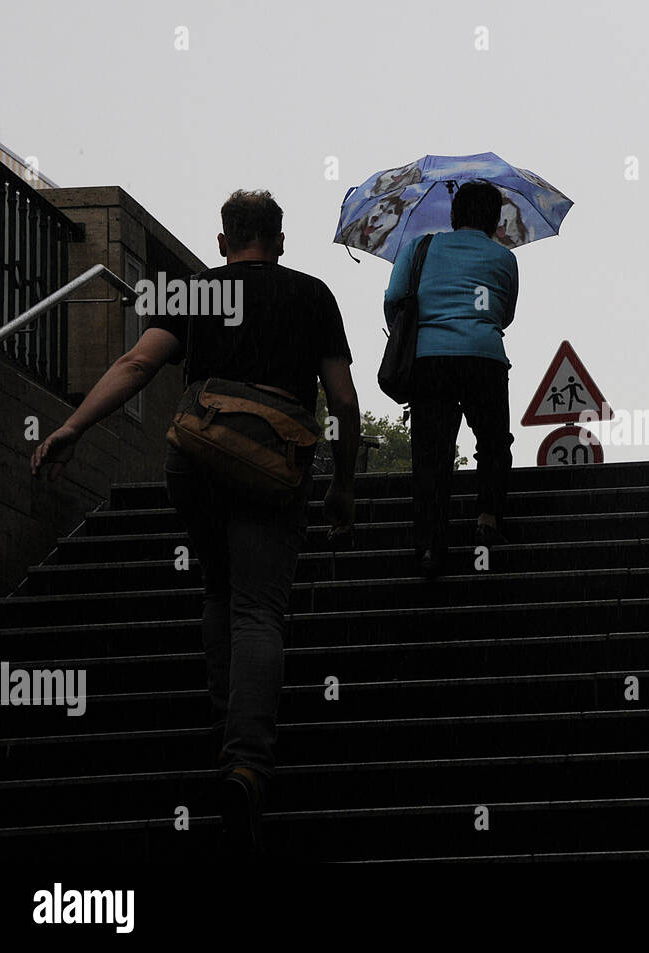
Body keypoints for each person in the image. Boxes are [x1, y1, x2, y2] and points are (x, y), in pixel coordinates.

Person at [31, 190, 360, 857]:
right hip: (272, 468)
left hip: (197, 459)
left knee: (218, 587)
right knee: (259, 609)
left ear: (222, 242)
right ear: (280, 240)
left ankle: (224, 726)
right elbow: (344, 400)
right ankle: (246, 763)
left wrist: (71, 426)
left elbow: (137, 363)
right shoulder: (312, 294)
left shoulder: (195, 293)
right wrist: (344, 485)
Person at [385, 181, 519, 577]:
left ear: (453, 215)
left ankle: (429, 546)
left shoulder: (420, 248)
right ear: (496, 219)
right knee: (493, 442)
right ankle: (487, 520)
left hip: (431, 359)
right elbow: (505, 313)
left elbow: (394, 299)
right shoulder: (504, 257)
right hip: (484, 356)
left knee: (432, 452)